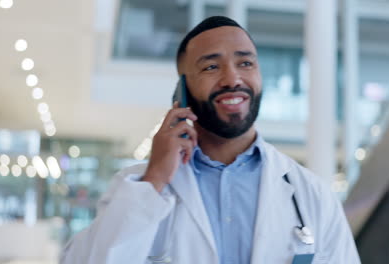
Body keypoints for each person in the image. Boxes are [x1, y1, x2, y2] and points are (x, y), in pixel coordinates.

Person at [60, 16, 361, 264]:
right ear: (183, 91)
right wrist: (154, 179)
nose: (233, 79)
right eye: (211, 67)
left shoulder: (311, 194)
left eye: (246, 64)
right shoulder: (138, 187)